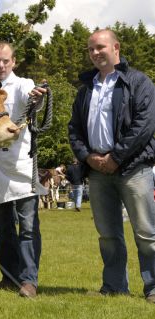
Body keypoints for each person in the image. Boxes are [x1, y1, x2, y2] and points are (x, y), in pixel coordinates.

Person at [68, 29, 155, 303]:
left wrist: (116, 157)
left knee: (147, 233)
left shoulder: (139, 82)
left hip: (134, 169)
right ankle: (114, 286)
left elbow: (144, 125)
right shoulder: (85, 89)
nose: (94, 53)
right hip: (97, 172)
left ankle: (153, 287)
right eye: (90, 49)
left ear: (116, 47)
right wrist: (87, 157)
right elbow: (74, 129)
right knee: (107, 235)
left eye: (100, 47)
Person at [0, 41, 47, 298]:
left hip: (19, 168)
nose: (0, 65)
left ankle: (29, 281)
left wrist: (37, 97)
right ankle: (9, 278)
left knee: (28, 228)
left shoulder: (23, 85)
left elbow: (33, 100)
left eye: (5, 61)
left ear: (13, 62)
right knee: (2, 229)